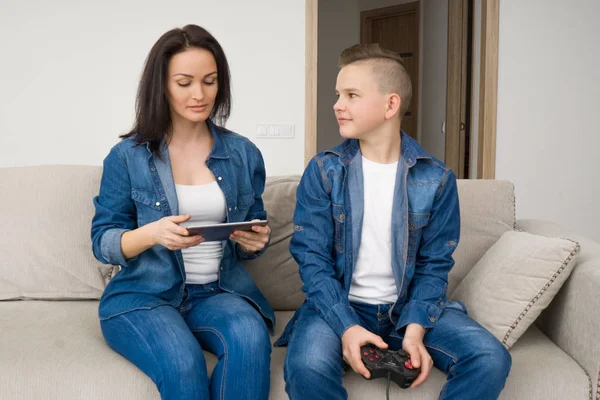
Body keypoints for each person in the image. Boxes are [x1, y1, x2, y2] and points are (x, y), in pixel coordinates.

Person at [276, 43, 512, 400]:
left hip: (408, 310)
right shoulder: (324, 171)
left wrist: (415, 331)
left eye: (352, 95)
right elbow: (312, 261)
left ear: (390, 104)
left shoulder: (437, 179)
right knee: (305, 367)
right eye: (338, 94)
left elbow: (435, 265)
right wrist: (347, 328)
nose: (337, 104)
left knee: (491, 358)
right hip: (339, 306)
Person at [91, 24, 273, 400]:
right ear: (162, 85)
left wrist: (254, 242)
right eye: (185, 82)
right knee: (183, 362)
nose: (200, 94)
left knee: (250, 337)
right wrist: (153, 233)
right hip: (144, 295)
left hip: (216, 292)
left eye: (210, 81)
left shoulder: (243, 154)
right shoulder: (128, 157)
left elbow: (248, 236)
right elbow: (103, 241)